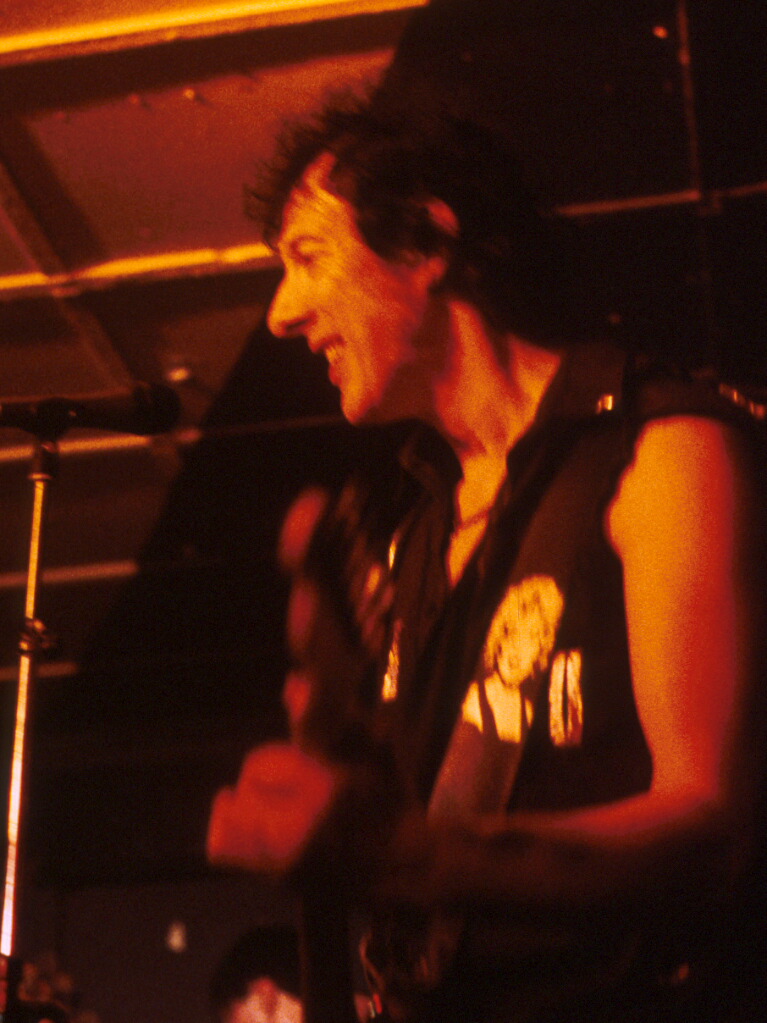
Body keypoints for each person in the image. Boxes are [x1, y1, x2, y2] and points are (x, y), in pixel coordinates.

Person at [207, 96, 767, 1022]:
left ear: (428, 242)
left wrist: (398, 852)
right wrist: (337, 750)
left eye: (308, 256)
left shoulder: (661, 453)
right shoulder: (407, 525)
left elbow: (710, 829)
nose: (281, 313)